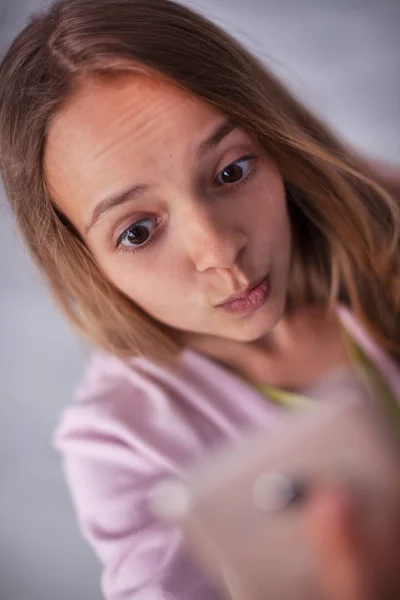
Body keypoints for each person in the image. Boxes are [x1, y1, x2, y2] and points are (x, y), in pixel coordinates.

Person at [0, 0, 399, 598]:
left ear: (276, 146)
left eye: (233, 170)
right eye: (137, 231)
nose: (220, 251)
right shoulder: (120, 448)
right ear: (84, 259)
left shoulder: (383, 213)